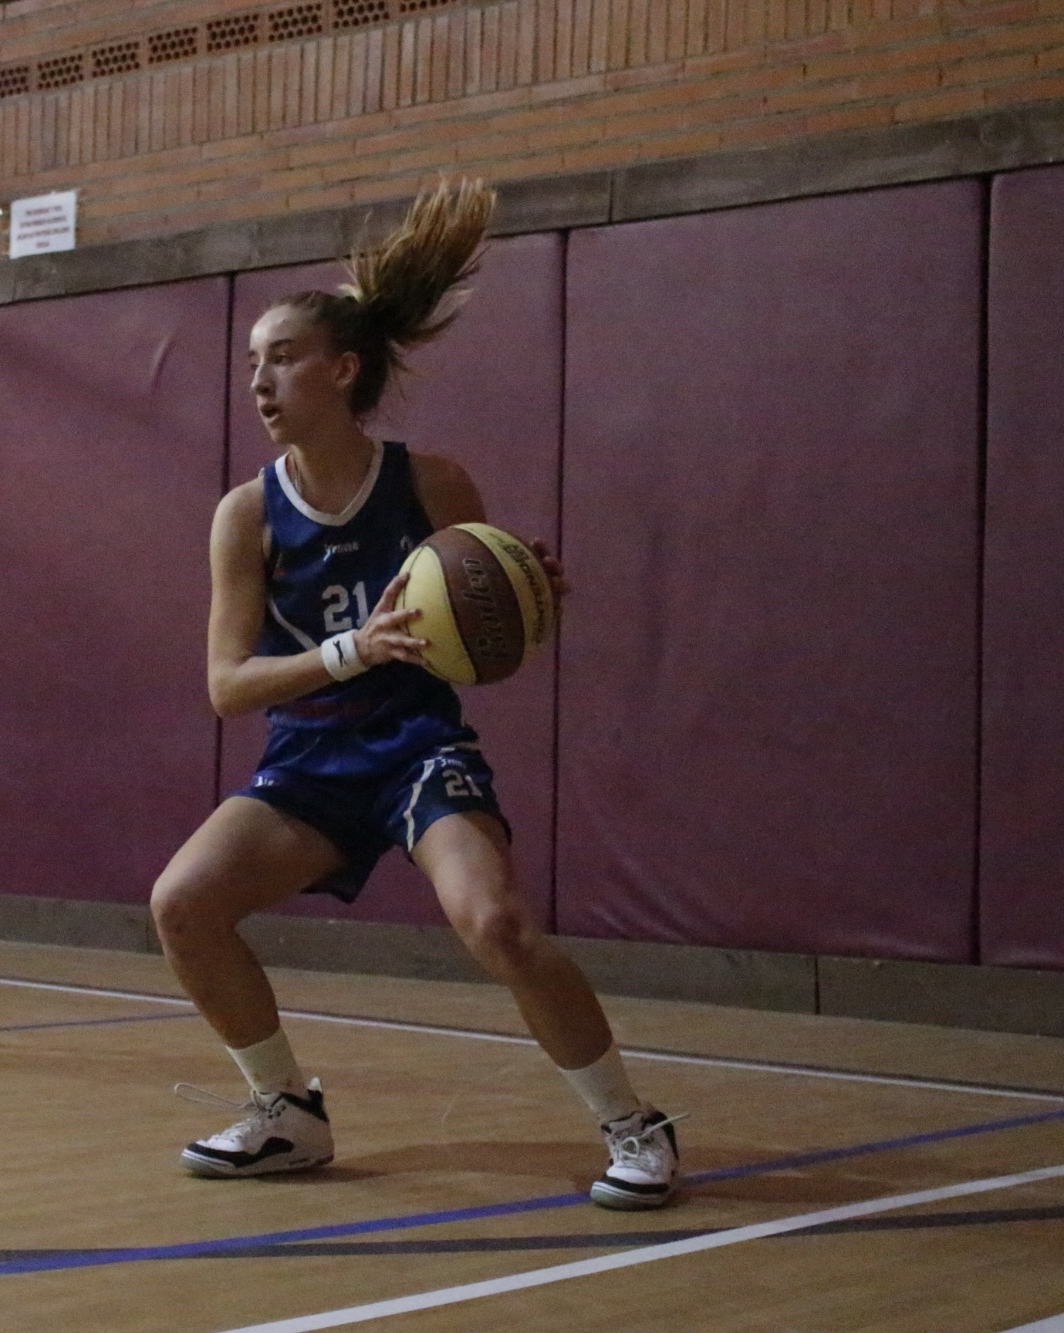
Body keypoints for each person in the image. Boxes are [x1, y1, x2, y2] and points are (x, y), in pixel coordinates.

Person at [149, 179, 681, 1210]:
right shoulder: (243, 514)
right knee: (182, 904)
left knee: (497, 926)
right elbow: (226, 686)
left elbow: (486, 638)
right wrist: (353, 646)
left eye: (280, 356)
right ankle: (284, 1111)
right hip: (305, 761)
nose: (257, 378)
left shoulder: (431, 482)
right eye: (250, 360)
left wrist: (526, 600)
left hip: (413, 747)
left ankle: (631, 1120)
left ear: (341, 368)